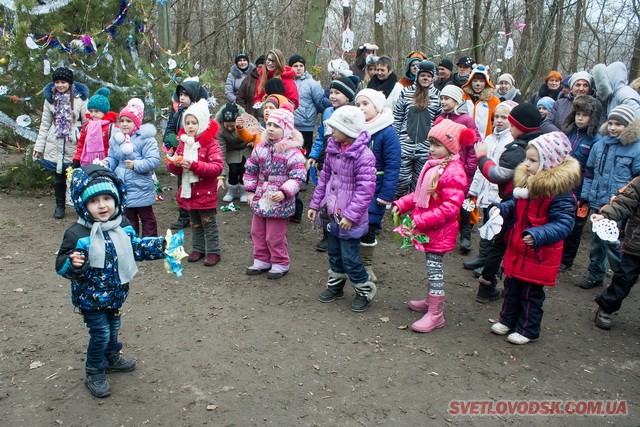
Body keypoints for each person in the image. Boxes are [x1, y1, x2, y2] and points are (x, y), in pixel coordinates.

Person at [56, 165, 167, 397]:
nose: (103, 205)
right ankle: (94, 371)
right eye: (94, 201)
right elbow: (61, 265)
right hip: (89, 298)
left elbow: (136, 248)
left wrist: (162, 246)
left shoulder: (123, 226)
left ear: (117, 199)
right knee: (101, 332)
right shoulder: (77, 234)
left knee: (114, 328)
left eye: (107, 198)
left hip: (116, 293)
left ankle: (111, 357)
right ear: (83, 205)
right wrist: (73, 263)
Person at [489, 132, 581, 344]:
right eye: (527, 159)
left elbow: (564, 223)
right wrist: (501, 209)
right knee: (511, 288)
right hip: (518, 249)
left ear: (549, 162)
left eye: (532, 160)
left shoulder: (560, 194)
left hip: (538, 254)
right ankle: (507, 320)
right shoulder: (528, 185)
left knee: (531, 295)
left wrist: (538, 234)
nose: (526, 164)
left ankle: (528, 328)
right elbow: (516, 206)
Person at [392, 119, 472, 332]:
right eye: (431, 144)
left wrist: (419, 220)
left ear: (451, 147)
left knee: (435, 269)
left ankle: (436, 313)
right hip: (430, 229)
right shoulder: (434, 166)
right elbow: (421, 195)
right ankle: (430, 302)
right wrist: (402, 203)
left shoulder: (453, 172)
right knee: (430, 267)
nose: (432, 149)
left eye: (437, 145)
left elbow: (449, 209)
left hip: (439, 232)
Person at [308, 106, 377, 311]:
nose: (331, 132)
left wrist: (350, 215)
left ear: (348, 130)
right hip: (331, 214)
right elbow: (324, 180)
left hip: (349, 218)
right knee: (334, 253)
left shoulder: (363, 156)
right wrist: (315, 204)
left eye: (335, 128)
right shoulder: (332, 149)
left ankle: (364, 289)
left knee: (350, 256)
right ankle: (336, 285)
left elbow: (365, 190)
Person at [474, 102, 543, 302]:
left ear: (522, 127)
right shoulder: (536, 146)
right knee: (510, 244)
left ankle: (487, 286)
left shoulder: (519, 150)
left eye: (512, 125)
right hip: (523, 203)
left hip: (514, 202)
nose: (509, 129)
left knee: (501, 244)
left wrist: (482, 159)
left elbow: (497, 174)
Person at [579, 105, 640, 289]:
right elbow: (590, 173)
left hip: (618, 205)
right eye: (611, 123)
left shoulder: (636, 148)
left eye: (619, 124)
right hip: (598, 201)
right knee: (596, 242)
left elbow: (636, 180)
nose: (613, 128)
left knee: (613, 242)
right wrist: (585, 196)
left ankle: (623, 275)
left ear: (628, 126)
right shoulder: (600, 145)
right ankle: (595, 273)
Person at [243, 108, 306, 279]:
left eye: (276, 126)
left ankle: (280, 261)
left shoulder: (292, 152)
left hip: (279, 201)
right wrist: (249, 191)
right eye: (269, 124)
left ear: (286, 129)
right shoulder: (260, 148)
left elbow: (298, 176)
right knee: (257, 231)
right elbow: (250, 169)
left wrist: (284, 192)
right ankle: (262, 259)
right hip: (261, 197)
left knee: (274, 235)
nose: (270, 128)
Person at [166, 99, 224, 267]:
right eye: (188, 122)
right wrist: (175, 164)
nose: (190, 126)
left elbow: (217, 167)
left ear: (203, 123)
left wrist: (194, 165)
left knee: (208, 223)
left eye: (194, 123)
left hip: (205, 192)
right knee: (195, 223)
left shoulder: (210, 143)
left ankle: (213, 251)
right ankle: (198, 248)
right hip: (188, 192)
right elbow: (174, 166)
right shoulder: (183, 143)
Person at [463, 101, 516, 273]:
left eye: (504, 117)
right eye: (496, 117)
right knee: (486, 225)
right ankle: (483, 256)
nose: (499, 120)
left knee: (497, 229)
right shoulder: (488, 139)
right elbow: (480, 167)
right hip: (486, 190)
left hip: (500, 194)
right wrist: (473, 190)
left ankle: (493, 263)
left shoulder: (511, 142)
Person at [355, 88, 401, 282]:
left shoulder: (387, 132)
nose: (361, 108)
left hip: (376, 186)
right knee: (352, 221)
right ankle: (351, 261)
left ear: (377, 107)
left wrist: (387, 194)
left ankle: (367, 265)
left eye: (365, 104)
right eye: (358, 104)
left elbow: (393, 165)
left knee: (370, 224)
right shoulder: (354, 128)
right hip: (355, 185)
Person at [307, 76, 359, 251]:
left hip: (345, 162)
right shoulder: (327, 112)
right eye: (331, 92)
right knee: (325, 196)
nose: (333, 96)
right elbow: (321, 136)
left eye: (338, 93)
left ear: (348, 96)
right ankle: (326, 233)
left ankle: (342, 231)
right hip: (327, 158)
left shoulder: (353, 114)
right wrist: (313, 155)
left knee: (341, 198)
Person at [34, 67, 89, 219]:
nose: (60, 85)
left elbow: (87, 122)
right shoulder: (50, 98)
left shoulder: (80, 99)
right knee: (58, 178)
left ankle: (80, 207)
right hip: (55, 141)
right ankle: (60, 206)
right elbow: (44, 124)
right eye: (57, 82)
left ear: (70, 83)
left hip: (74, 141)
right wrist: (39, 147)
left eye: (63, 82)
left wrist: (85, 143)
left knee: (75, 176)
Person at [103, 98, 160, 237]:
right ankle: (131, 242)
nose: (124, 124)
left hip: (140, 185)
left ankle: (149, 241)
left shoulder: (146, 139)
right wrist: (106, 163)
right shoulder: (116, 139)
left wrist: (136, 165)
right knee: (128, 217)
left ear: (136, 122)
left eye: (128, 121)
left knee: (146, 216)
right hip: (123, 185)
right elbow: (114, 157)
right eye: (121, 120)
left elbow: (153, 160)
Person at [436, 84, 481, 253]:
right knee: (445, 199)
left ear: (456, 100)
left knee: (465, 202)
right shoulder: (440, 118)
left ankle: (466, 235)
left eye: (446, 98)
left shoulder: (466, 120)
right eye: (441, 98)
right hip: (445, 168)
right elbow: (434, 142)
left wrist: (470, 168)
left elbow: (473, 145)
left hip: (462, 170)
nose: (443, 101)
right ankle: (445, 233)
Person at [559, 95, 601, 271]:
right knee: (558, 218)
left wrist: (584, 195)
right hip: (561, 183)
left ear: (592, 117)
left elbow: (593, 170)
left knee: (575, 226)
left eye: (585, 114)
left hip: (580, 187)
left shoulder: (596, 140)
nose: (580, 118)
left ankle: (567, 260)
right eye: (577, 114)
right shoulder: (566, 134)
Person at [592, 176, 640, 329]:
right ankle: (606, 307)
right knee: (624, 279)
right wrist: (606, 215)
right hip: (636, 245)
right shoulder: (638, 183)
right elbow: (623, 202)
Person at [163, 77, 209, 229]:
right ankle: (184, 215)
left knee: (196, 185)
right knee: (182, 185)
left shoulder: (200, 114)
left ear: (194, 96)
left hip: (196, 154)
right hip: (180, 153)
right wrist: (169, 140)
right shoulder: (177, 112)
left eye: (186, 94)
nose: (182, 97)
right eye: (180, 94)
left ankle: (197, 214)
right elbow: (170, 127)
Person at [393, 60, 442, 198]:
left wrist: (435, 144)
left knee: (420, 178)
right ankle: (400, 202)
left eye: (428, 76)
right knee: (402, 178)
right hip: (404, 143)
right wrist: (396, 139)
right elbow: (397, 117)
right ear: (417, 76)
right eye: (422, 75)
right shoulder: (406, 92)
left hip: (426, 145)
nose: (425, 78)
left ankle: (414, 204)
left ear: (433, 78)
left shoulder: (438, 96)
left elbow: (439, 121)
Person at [289, 54, 325, 155]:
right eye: (295, 66)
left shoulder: (312, 84)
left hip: (306, 126)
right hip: (289, 126)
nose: (299, 68)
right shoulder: (286, 82)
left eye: (301, 65)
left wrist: (309, 115)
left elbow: (320, 103)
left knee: (304, 155)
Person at [215, 103, 251, 203]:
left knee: (244, 168)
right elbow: (221, 149)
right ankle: (232, 191)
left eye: (232, 126)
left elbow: (253, 135)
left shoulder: (246, 122)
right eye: (227, 126)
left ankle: (244, 191)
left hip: (246, 147)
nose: (230, 128)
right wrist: (221, 173)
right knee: (233, 169)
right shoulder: (220, 130)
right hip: (231, 149)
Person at [73, 87, 117, 168]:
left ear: (104, 112)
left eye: (96, 111)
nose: (93, 114)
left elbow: (115, 148)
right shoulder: (86, 126)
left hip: (105, 163)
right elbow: (81, 145)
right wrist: (77, 159)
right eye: (91, 111)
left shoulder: (111, 127)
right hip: (87, 163)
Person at [461, 64, 501, 139]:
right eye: (475, 80)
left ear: (486, 83)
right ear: (470, 81)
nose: (478, 84)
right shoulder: (463, 97)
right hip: (464, 140)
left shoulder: (494, 100)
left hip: (485, 141)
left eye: (481, 81)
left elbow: (498, 121)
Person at [236, 55, 265, 119]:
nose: (261, 69)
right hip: (250, 116)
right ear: (256, 67)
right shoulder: (248, 80)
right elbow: (239, 98)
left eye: (264, 67)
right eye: (260, 67)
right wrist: (245, 112)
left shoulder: (271, 79)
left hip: (267, 116)